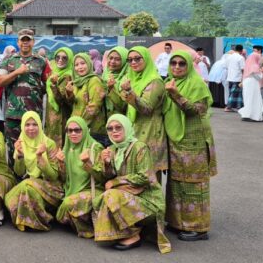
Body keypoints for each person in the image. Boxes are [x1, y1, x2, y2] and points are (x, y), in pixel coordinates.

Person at [92, 114, 170, 253]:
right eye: (110, 128)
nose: (114, 131)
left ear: (127, 128)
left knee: (111, 195)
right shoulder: (113, 149)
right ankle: (121, 233)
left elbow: (144, 177)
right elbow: (107, 178)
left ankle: (133, 235)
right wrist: (107, 164)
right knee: (104, 197)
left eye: (118, 127)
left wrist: (115, 181)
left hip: (148, 202)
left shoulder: (139, 147)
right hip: (129, 197)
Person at [163, 50, 217, 242]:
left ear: (189, 66)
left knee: (194, 184)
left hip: (194, 142)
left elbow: (196, 111)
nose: (177, 67)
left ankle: (198, 228)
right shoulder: (169, 83)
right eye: (173, 63)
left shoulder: (197, 84)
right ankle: (178, 222)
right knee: (177, 182)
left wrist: (176, 95)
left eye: (181, 64)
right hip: (176, 140)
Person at [0, 29, 51, 164]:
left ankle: (32, 178)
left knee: (33, 149)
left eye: (28, 40)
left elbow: (48, 85)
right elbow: (0, 82)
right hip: (13, 114)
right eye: (22, 40)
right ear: (18, 42)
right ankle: (14, 179)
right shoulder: (8, 60)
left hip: (33, 115)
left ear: (33, 42)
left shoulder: (42, 62)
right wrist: (17, 72)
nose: (25, 43)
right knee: (13, 150)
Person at [4, 111, 64, 231]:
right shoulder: (21, 142)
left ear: (40, 126)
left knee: (26, 186)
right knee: (10, 197)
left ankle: (40, 222)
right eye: (27, 125)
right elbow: (19, 172)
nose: (31, 128)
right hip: (32, 184)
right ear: (22, 127)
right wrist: (20, 156)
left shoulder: (49, 144)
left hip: (52, 187)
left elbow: (53, 176)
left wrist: (40, 158)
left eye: (34, 124)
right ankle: (27, 221)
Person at [119, 46, 167, 177]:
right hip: (134, 130)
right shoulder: (131, 78)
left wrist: (129, 92)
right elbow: (124, 105)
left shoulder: (155, 81)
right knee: (135, 173)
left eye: (137, 59)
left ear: (146, 59)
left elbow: (147, 108)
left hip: (150, 132)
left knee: (149, 175)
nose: (133, 62)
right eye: (130, 60)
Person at [55, 116, 106, 238]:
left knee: (66, 205)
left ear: (84, 130)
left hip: (93, 190)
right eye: (69, 130)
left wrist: (88, 163)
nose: (73, 133)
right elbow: (64, 178)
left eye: (77, 130)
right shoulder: (68, 148)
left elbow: (103, 177)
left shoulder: (95, 147)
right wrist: (61, 164)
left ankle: (90, 230)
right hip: (72, 189)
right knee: (61, 208)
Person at [62, 52, 108, 147]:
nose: (80, 67)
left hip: (91, 129)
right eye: (76, 65)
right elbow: (75, 104)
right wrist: (69, 93)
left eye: (83, 63)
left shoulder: (94, 80)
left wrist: (79, 126)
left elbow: (94, 107)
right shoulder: (77, 82)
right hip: (77, 128)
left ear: (89, 64)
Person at [44, 47, 73, 148]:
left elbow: (61, 101)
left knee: (58, 149)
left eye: (64, 58)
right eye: (58, 57)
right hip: (51, 118)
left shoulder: (67, 76)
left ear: (69, 60)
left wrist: (54, 85)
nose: (60, 60)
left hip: (60, 118)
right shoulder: (53, 73)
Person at [103, 46, 129, 119]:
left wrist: (112, 89)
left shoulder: (127, 78)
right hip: (104, 116)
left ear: (124, 61)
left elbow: (123, 106)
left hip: (120, 118)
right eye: (110, 58)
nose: (112, 62)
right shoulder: (106, 73)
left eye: (117, 59)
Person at [238, 52, 263, 122]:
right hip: (253, 83)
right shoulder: (255, 66)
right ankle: (253, 115)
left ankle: (246, 114)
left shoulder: (248, 65)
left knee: (248, 98)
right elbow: (258, 77)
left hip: (247, 82)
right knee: (254, 98)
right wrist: (262, 72)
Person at [224, 45, 245, 112]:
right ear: (241, 50)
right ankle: (228, 107)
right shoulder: (240, 58)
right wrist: (243, 77)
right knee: (234, 93)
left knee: (234, 93)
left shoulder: (229, 57)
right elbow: (243, 69)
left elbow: (226, 66)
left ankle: (239, 106)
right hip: (237, 78)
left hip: (230, 77)